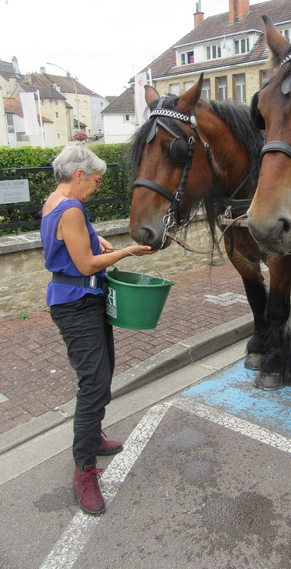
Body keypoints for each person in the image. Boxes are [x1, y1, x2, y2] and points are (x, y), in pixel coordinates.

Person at [41, 144, 157, 515]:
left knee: (101, 376)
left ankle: (93, 437)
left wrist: (95, 235)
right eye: (96, 180)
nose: (98, 186)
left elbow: (75, 236)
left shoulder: (55, 200)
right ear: (79, 176)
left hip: (75, 299)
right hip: (78, 304)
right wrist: (126, 252)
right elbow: (88, 263)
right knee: (93, 383)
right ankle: (84, 470)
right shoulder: (72, 208)